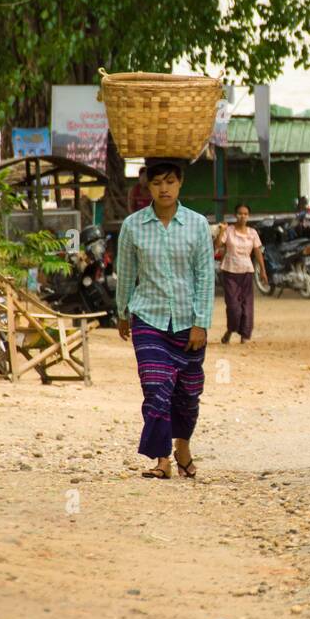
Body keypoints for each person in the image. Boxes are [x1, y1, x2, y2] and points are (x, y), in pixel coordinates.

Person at [116, 158, 215, 480]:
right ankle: (162, 459)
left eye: (170, 181)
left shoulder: (198, 224)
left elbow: (205, 276)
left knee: (188, 393)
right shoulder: (132, 226)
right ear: (148, 186)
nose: (164, 188)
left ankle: (182, 447)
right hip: (148, 318)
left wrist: (201, 322)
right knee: (155, 386)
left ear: (180, 183)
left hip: (189, 321)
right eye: (157, 183)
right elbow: (127, 274)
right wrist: (121, 313)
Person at [215, 201, 266, 343]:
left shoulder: (253, 233)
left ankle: (245, 335)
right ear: (235, 215)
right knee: (233, 306)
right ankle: (230, 330)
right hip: (230, 272)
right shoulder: (229, 230)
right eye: (240, 214)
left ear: (248, 216)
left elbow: (257, 251)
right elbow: (218, 245)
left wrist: (263, 270)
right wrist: (221, 231)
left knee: (247, 305)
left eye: (245, 214)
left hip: (247, 272)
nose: (242, 216)